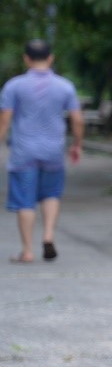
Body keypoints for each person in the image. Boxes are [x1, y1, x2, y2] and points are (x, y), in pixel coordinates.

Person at [1, 39, 83, 264]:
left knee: (25, 201)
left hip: (23, 152)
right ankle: (48, 236)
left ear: (26, 58)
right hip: (53, 152)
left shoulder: (13, 86)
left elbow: (4, 121)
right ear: (50, 58)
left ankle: (27, 251)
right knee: (51, 194)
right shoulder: (65, 86)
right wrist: (77, 144)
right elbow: (77, 119)